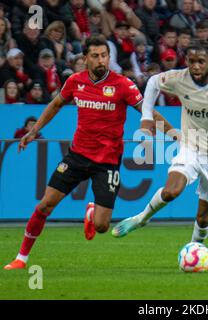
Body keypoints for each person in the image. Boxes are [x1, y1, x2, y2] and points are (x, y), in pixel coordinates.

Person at [4, 34, 175, 270]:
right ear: (85, 58)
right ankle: (21, 258)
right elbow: (55, 104)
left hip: (107, 162)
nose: (100, 60)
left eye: (104, 55)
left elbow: (148, 111)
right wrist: (34, 130)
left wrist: (175, 134)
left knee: (102, 226)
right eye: (95, 56)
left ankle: (92, 211)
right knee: (45, 205)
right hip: (77, 156)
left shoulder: (123, 85)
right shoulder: (75, 81)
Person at [111, 40, 208, 245]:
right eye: (191, 61)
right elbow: (154, 83)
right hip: (190, 148)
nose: (196, 66)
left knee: (204, 217)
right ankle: (142, 218)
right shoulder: (179, 78)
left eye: (201, 61)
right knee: (171, 190)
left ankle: (195, 246)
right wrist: (145, 117)